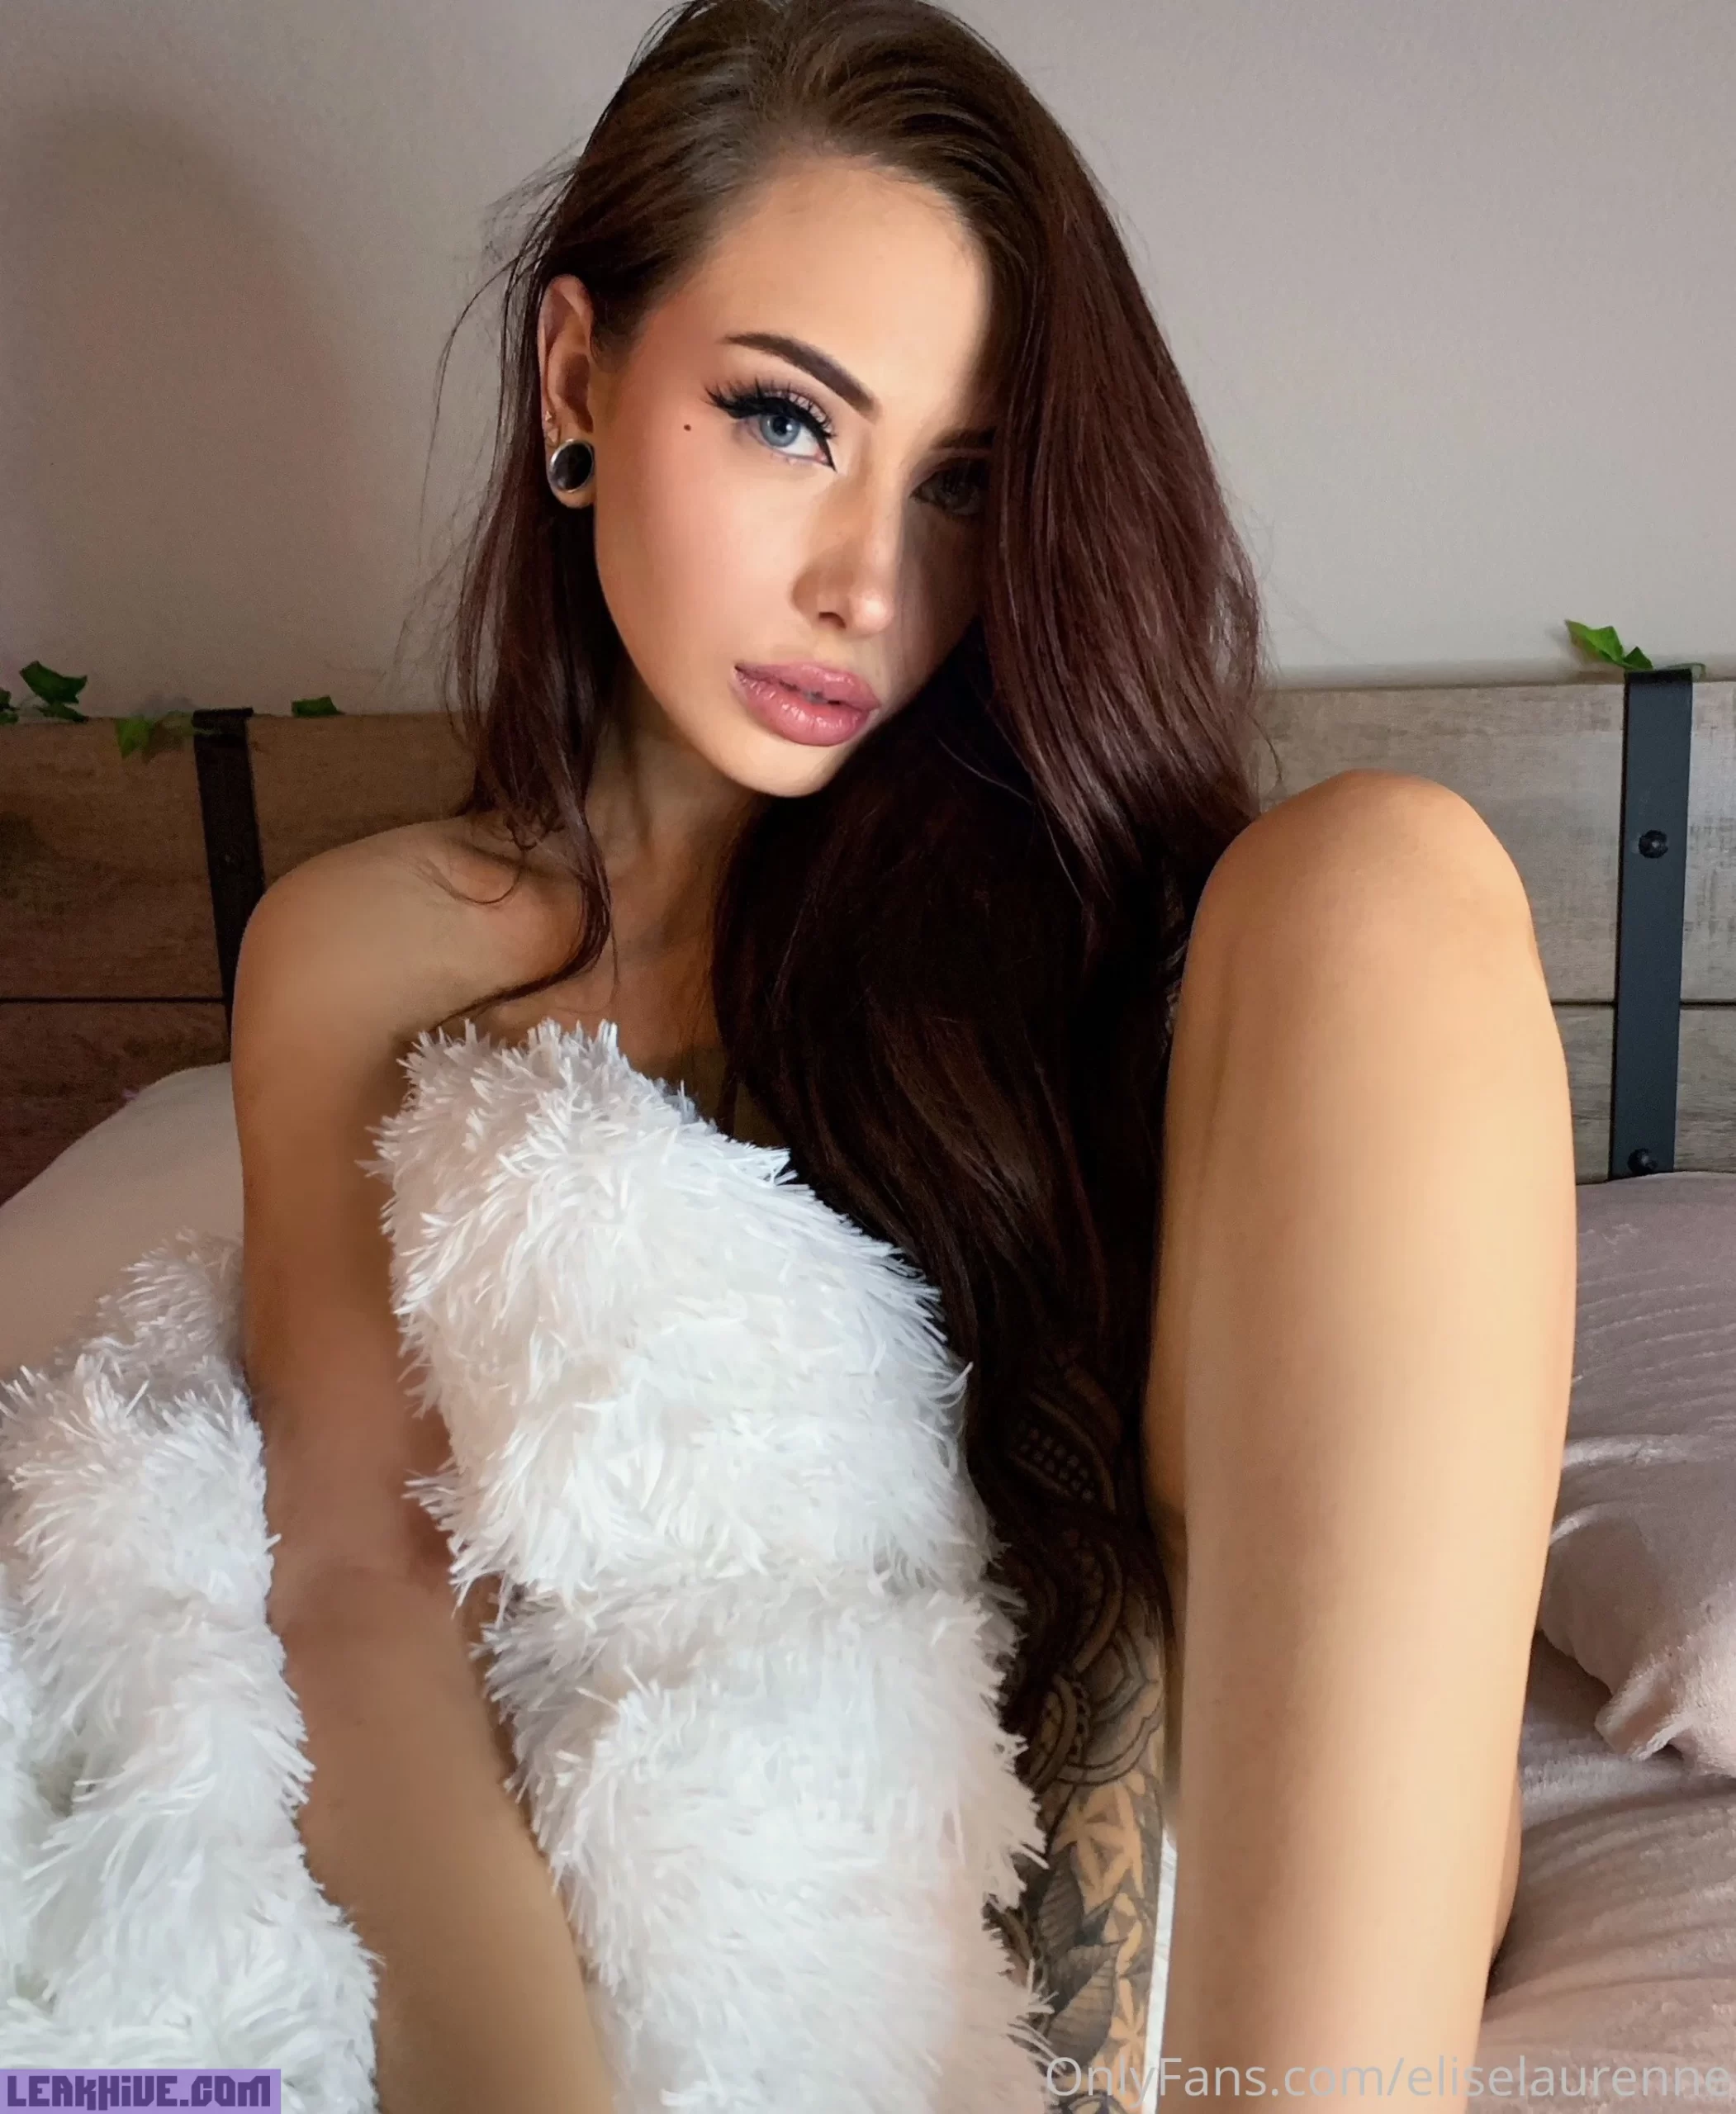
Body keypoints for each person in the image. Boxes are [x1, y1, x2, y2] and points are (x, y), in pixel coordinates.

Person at [229, 2, 1575, 2108]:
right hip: (755, 1889)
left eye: (963, 483)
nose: (869, 582)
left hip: (1254, 1854)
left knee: (1382, 871)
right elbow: (356, 1581)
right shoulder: (356, 951)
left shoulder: (1129, 920)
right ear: (577, 378)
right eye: (787, 419)